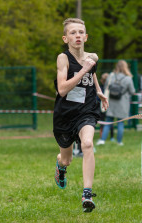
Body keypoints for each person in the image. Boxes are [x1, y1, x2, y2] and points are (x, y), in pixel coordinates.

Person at [53, 18, 108, 212]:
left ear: (85, 36)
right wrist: (83, 70)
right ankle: (61, 167)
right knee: (67, 159)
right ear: (65, 38)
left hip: (87, 110)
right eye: (73, 32)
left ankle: (87, 193)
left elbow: (91, 74)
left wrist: (99, 91)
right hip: (65, 114)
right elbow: (62, 89)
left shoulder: (92, 57)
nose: (77, 35)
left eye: (80, 32)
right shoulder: (63, 58)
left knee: (87, 144)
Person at [96, 60, 135, 146]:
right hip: (123, 104)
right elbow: (132, 91)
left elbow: (106, 87)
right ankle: (119, 142)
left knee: (108, 121)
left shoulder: (110, 76)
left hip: (111, 103)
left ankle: (102, 140)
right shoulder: (128, 78)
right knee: (120, 122)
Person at [99, 72, 114, 141]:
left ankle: (101, 136)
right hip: (110, 107)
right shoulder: (111, 88)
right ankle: (112, 137)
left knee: (102, 122)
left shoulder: (100, 88)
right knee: (110, 122)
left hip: (102, 107)